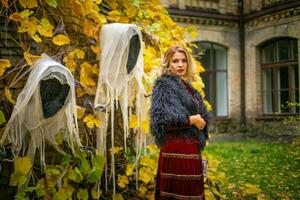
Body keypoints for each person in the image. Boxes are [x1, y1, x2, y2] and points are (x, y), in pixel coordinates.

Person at [150, 45, 209, 200]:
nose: (180, 64)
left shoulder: (187, 86)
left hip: (190, 146)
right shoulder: (164, 85)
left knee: (192, 191)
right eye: (175, 61)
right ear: (168, 64)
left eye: (184, 61)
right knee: (179, 193)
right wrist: (192, 119)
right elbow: (162, 120)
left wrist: (202, 121)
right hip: (176, 148)